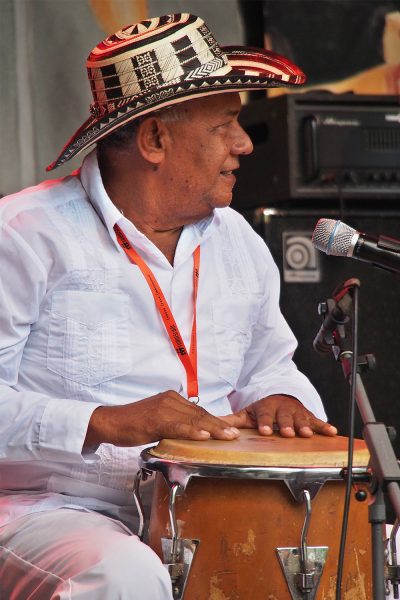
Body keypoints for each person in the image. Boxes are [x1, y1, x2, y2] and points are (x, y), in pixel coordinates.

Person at [0, 13, 337, 599]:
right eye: (225, 124)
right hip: (55, 509)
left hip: (213, 504)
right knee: (123, 576)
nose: (245, 143)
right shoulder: (23, 236)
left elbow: (268, 364)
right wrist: (107, 421)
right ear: (155, 139)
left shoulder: (238, 241)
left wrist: (279, 398)